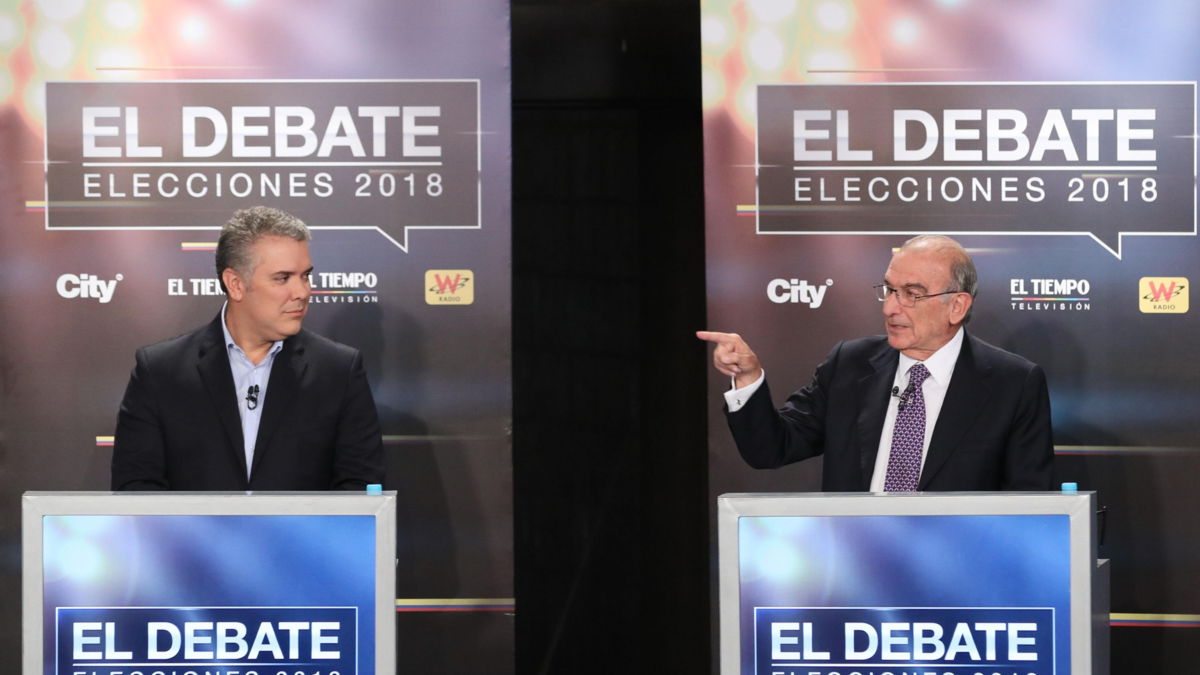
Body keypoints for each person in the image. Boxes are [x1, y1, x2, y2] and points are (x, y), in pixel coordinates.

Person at [697, 235, 1053, 492]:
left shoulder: (1013, 384)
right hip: (853, 565)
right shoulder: (850, 365)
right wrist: (748, 378)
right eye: (889, 290)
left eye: (912, 294)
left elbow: (1030, 507)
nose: (890, 308)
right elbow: (770, 448)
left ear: (956, 306)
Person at [111, 206, 385, 491]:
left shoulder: (338, 372)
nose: (302, 292)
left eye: (305, 276)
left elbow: (361, 486)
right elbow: (136, 489)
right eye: (283, 278)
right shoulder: (160, 373)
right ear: (236, 284)